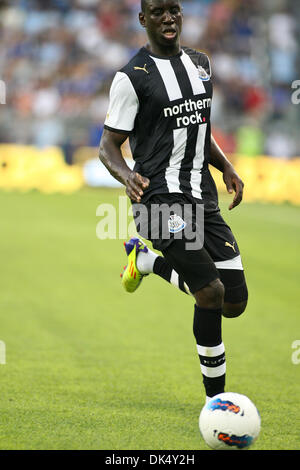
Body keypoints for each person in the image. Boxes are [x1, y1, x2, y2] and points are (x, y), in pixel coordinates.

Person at [99, 0, 248, 403]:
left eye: (175, 10)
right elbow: (107, 146)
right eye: (159, 12)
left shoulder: (201, 63)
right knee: (211, 293)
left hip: (203, 197)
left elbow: (198, 126)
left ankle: (146, 262)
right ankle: (216, 402)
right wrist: (128, 176)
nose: (168, 18)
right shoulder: (132, 77)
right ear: (143, 19)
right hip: (159, 202)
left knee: (234, 302)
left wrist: (226, 166)